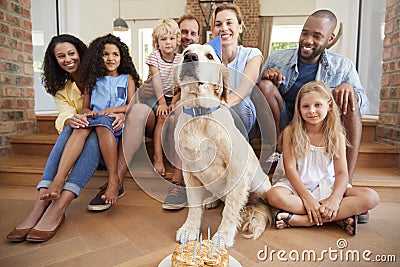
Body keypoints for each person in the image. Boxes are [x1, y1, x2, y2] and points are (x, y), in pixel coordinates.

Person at [6, 34, 122, 242]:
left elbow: (126, 99)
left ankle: (59, 206)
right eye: (61, 56)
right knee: (73, 126)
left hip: (107, 144)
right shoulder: (62, 90)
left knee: (91, 133)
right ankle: (41, 203)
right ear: (55, 61)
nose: (67, 59)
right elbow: (64, 116)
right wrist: (72, 120)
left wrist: (121, 114)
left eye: (71, 53)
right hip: (78, 139)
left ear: (80, 53)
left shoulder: (102, 75)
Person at [257, 9, 368, 183]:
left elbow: (363, 104)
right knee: (264, 86)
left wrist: (349, 89)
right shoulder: (277, 59)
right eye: (305, 33)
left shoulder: (342, 66)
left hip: (320, 124)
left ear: (329, 39)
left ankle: (346, 181)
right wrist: (268, 78)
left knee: (351, 99)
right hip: (286, 123)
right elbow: (256, 97)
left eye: (317, 36)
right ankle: (276, 150)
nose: (308, 41)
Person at [265, 81, 379, 235]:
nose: (311, 111)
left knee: (371, 197)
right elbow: (290, 169)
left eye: (317, 105)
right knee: (274, 195)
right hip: (297, 187)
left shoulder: (336, 135)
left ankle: (303, 220)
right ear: (299, 108)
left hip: (327, 185)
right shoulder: (291, 132)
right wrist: (307, 199)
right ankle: (336, 217)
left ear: (329, 106)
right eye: (306, 106)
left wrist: (335, 199)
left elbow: (341, 174)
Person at [39, 34, 139, 206]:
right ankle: (58, 179)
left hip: (111, 123)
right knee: (78, 128)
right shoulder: (92, 81)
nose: (110, 58)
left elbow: (132, 104)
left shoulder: (127, 78)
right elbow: (85, 108)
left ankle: (114, 178)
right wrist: (87, 113)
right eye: (105, 54)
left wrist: (115, 111)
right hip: (94, 120)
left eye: (115, 54)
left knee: (99, 125)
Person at [145, 19, 182, 178]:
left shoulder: (180, 59)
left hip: (174, 95)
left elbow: (179, 83)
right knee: (161, 117)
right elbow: (157, 81)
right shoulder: (154, 58)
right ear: (156, 42)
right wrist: (162, 103)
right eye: (163, 39)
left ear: (177, 40)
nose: (168, 42)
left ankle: (175, 158)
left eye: (172, 38)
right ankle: (158, 158)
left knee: (174, 119)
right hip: (156, 96)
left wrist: (173, 102)